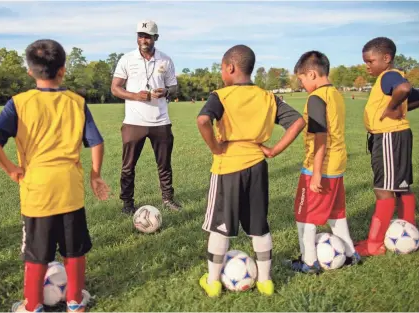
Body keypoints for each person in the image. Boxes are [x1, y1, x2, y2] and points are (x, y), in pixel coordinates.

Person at [0, 39, 109, 312]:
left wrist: (11, 168)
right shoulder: (77, 102)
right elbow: (96, 142)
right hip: (70, 190)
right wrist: (95, 175)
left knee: (37, 254)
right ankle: (75, 302)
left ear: (30, 71)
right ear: (63, 70)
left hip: (37, 192)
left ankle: (32, 306)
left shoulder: (19, 103)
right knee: (75, 251)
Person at [196, 45, 305, 297]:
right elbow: (298, 121)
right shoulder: (268, 97)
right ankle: (266, 281)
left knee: (219, 227)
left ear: (230, 67)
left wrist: (215, 147)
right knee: (259, 224)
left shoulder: (221, 95)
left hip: (228, 168)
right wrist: (274, 150)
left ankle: (212, 282)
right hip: (257, 165)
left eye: (223, 68)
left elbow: (203, 120)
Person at [284, 51, 360, 274]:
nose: (301, 83)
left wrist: (316, 172)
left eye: (302, 79)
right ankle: (350, 254)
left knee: (304, 215)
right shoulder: (336, 94)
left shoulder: (316, 97)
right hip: (337, 165)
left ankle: (308, 262)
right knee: (336, 214)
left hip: (320, 166)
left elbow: (320, 136)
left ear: (312, 73)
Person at [111, 20, 181, 214]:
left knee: (164, 164)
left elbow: (174, 88)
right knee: (128, 166)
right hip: (134, 122)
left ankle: (168, 199)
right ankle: (127, 204)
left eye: (148, 36)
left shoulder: (165, 60)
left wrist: (166, 91)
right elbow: (115, 88)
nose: (143, 39)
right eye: (140, 35)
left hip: (161, 121)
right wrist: (135, 95)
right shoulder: (126, 59)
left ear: (155, 38)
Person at [355, 37, 417, 256]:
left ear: (386, 58)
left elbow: (404, 88)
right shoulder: (392, 76)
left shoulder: (389, 76)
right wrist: (398, 106)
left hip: (389, 137)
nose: (367, 66)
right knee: (401, 187)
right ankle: (410, 232)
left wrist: (391, 108)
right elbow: (413, 95)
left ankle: (374, 243)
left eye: (370, 61)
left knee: (384, 190)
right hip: (395, 136)